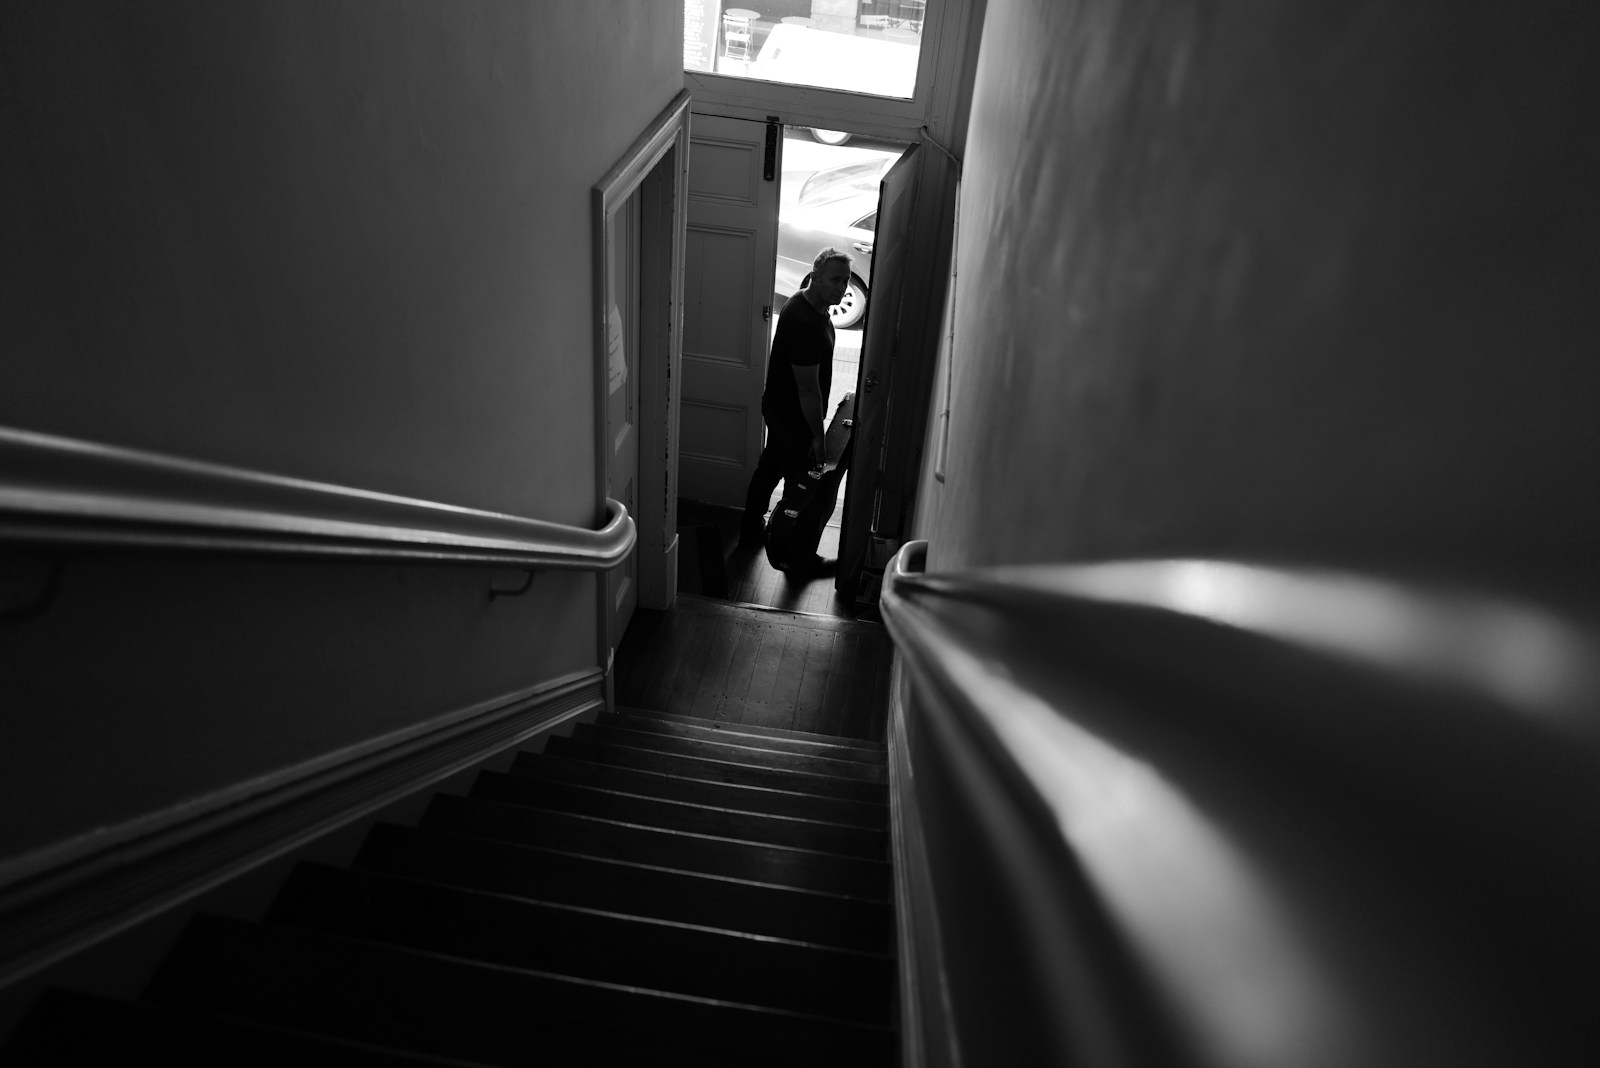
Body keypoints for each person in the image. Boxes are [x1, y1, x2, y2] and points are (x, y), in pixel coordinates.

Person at [739, 247, 853, 567]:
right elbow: (807, 389)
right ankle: (795, 554)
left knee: (769, 469)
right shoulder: (803, 320)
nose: (841, 287)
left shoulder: (812, 303)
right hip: (793, 416)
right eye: (834, 280)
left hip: (781, 410)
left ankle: (751, 534)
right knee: (800, 485)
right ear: (814, 277)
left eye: (845, 281)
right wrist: (817, 437)